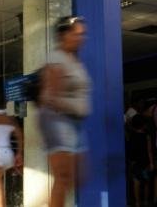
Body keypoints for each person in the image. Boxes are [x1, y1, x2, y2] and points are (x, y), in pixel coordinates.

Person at [39, 16, 91, 207]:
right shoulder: (56, 58)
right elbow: (50, 98)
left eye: (83, 34)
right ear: (63, 35)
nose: (81, 38)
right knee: (63, 177)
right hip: (58, 121)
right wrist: (76, 106)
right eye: (77, 34)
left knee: (79, 177)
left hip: (75, 121)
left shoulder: (74, 60)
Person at [127, 114, 155, 207]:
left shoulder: (131, 135)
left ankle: (137, 202)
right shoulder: (146, 136)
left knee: (136, 181)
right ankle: (146, 201)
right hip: (145, 161)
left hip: (134, 161)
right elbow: (149, 150)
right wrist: (151, 163)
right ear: (144, 125)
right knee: (146, 181)